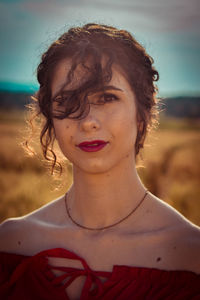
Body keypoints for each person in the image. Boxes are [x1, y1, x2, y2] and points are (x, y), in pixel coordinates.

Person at [0, 23, 200, 300]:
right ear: (50, 117)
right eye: (67, 100)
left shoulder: (191, 255)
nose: (88, 121)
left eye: (107, 97)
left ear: (143, 111)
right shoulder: (11, 243)